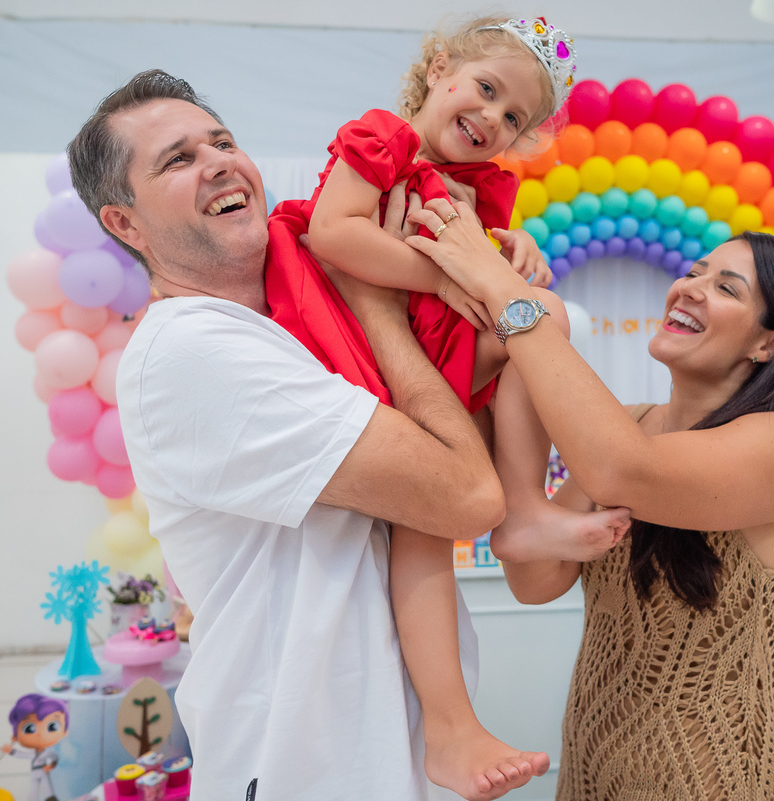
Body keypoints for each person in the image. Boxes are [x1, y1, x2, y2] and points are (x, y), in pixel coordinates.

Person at [67, 70, 535, 800]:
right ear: (124, 224)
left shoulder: (291, 317)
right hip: (307, 763)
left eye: (221, 140)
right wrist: (378, 305)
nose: (219, 160)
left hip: (381, 749)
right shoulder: (195, 349)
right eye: (178, 159)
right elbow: (466, 495)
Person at [365, 195, 774, 800]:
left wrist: (500, 283)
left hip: (713, 780)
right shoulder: (630, 425)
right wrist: (526, 503)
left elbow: (622, 472)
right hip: (593, 765)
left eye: (726, 288)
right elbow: (535, 582)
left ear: (767, 345)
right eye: (694, 273)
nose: (689, 288)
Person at [263, 16, 624, 799]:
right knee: (427, 514)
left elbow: (480, 258)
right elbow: (333, 234)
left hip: (431, 350)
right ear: (439, 68)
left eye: (513, 119)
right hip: (360, 334)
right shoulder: (383, 139)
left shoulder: (484, 187)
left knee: (542, 326)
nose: (493, 120)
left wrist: (510, 253)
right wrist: (450, 275)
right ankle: (455, 715)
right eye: (487, 90)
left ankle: (520, 516)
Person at [1, 694, 69, 801]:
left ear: (65, 731)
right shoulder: (33, 754)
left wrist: (51, 765)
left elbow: (53, 757)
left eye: (52, 727)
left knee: (48, 791)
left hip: (43, 771)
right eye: (29, 729)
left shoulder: (49, 753)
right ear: (16, 736)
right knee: (34, 791)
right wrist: (11, 751)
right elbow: (23, 755)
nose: (40, 734)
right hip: (35, 773)